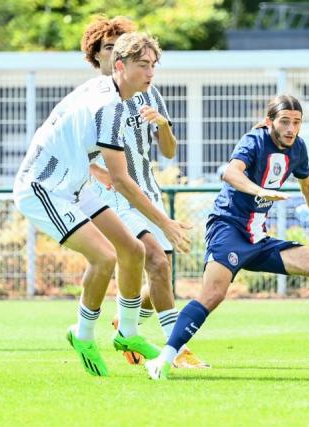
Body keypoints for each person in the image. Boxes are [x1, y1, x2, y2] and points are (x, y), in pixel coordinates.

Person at [12, 32, 192, 377]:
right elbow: (123, 181)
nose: (150, 73)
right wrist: (166, 223)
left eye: (153, 65)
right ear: (120, 66)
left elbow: (64, 125)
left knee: (133, 251)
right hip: (43, 187)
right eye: (142, 65)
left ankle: (127, 333)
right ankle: (82, 335)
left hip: (74, 183)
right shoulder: (110, 106)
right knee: (105, 256)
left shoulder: (109, 94)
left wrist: (88, 166)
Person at [144, 95, 309, 380]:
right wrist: (258, 190)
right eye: (284, 121)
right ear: (270, 121)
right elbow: (231, 173)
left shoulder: (298, 149)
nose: (290, 129)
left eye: (296, 123)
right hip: (228, 229)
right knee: (213, 294)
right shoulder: (254, 141)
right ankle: (164, 358)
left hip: (258, 237)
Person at [79, 15, 208, 368]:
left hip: (145, 192)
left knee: (159, 271)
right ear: (101, 57)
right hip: (112, 195)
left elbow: (168, 150)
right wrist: (98, 172)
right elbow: (75, 152)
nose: (117, 51)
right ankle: (175, 348)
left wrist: (163, 124)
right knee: (154, 259)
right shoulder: (94, 99)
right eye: (109, 46)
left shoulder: (147, 92)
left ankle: (127, 321)